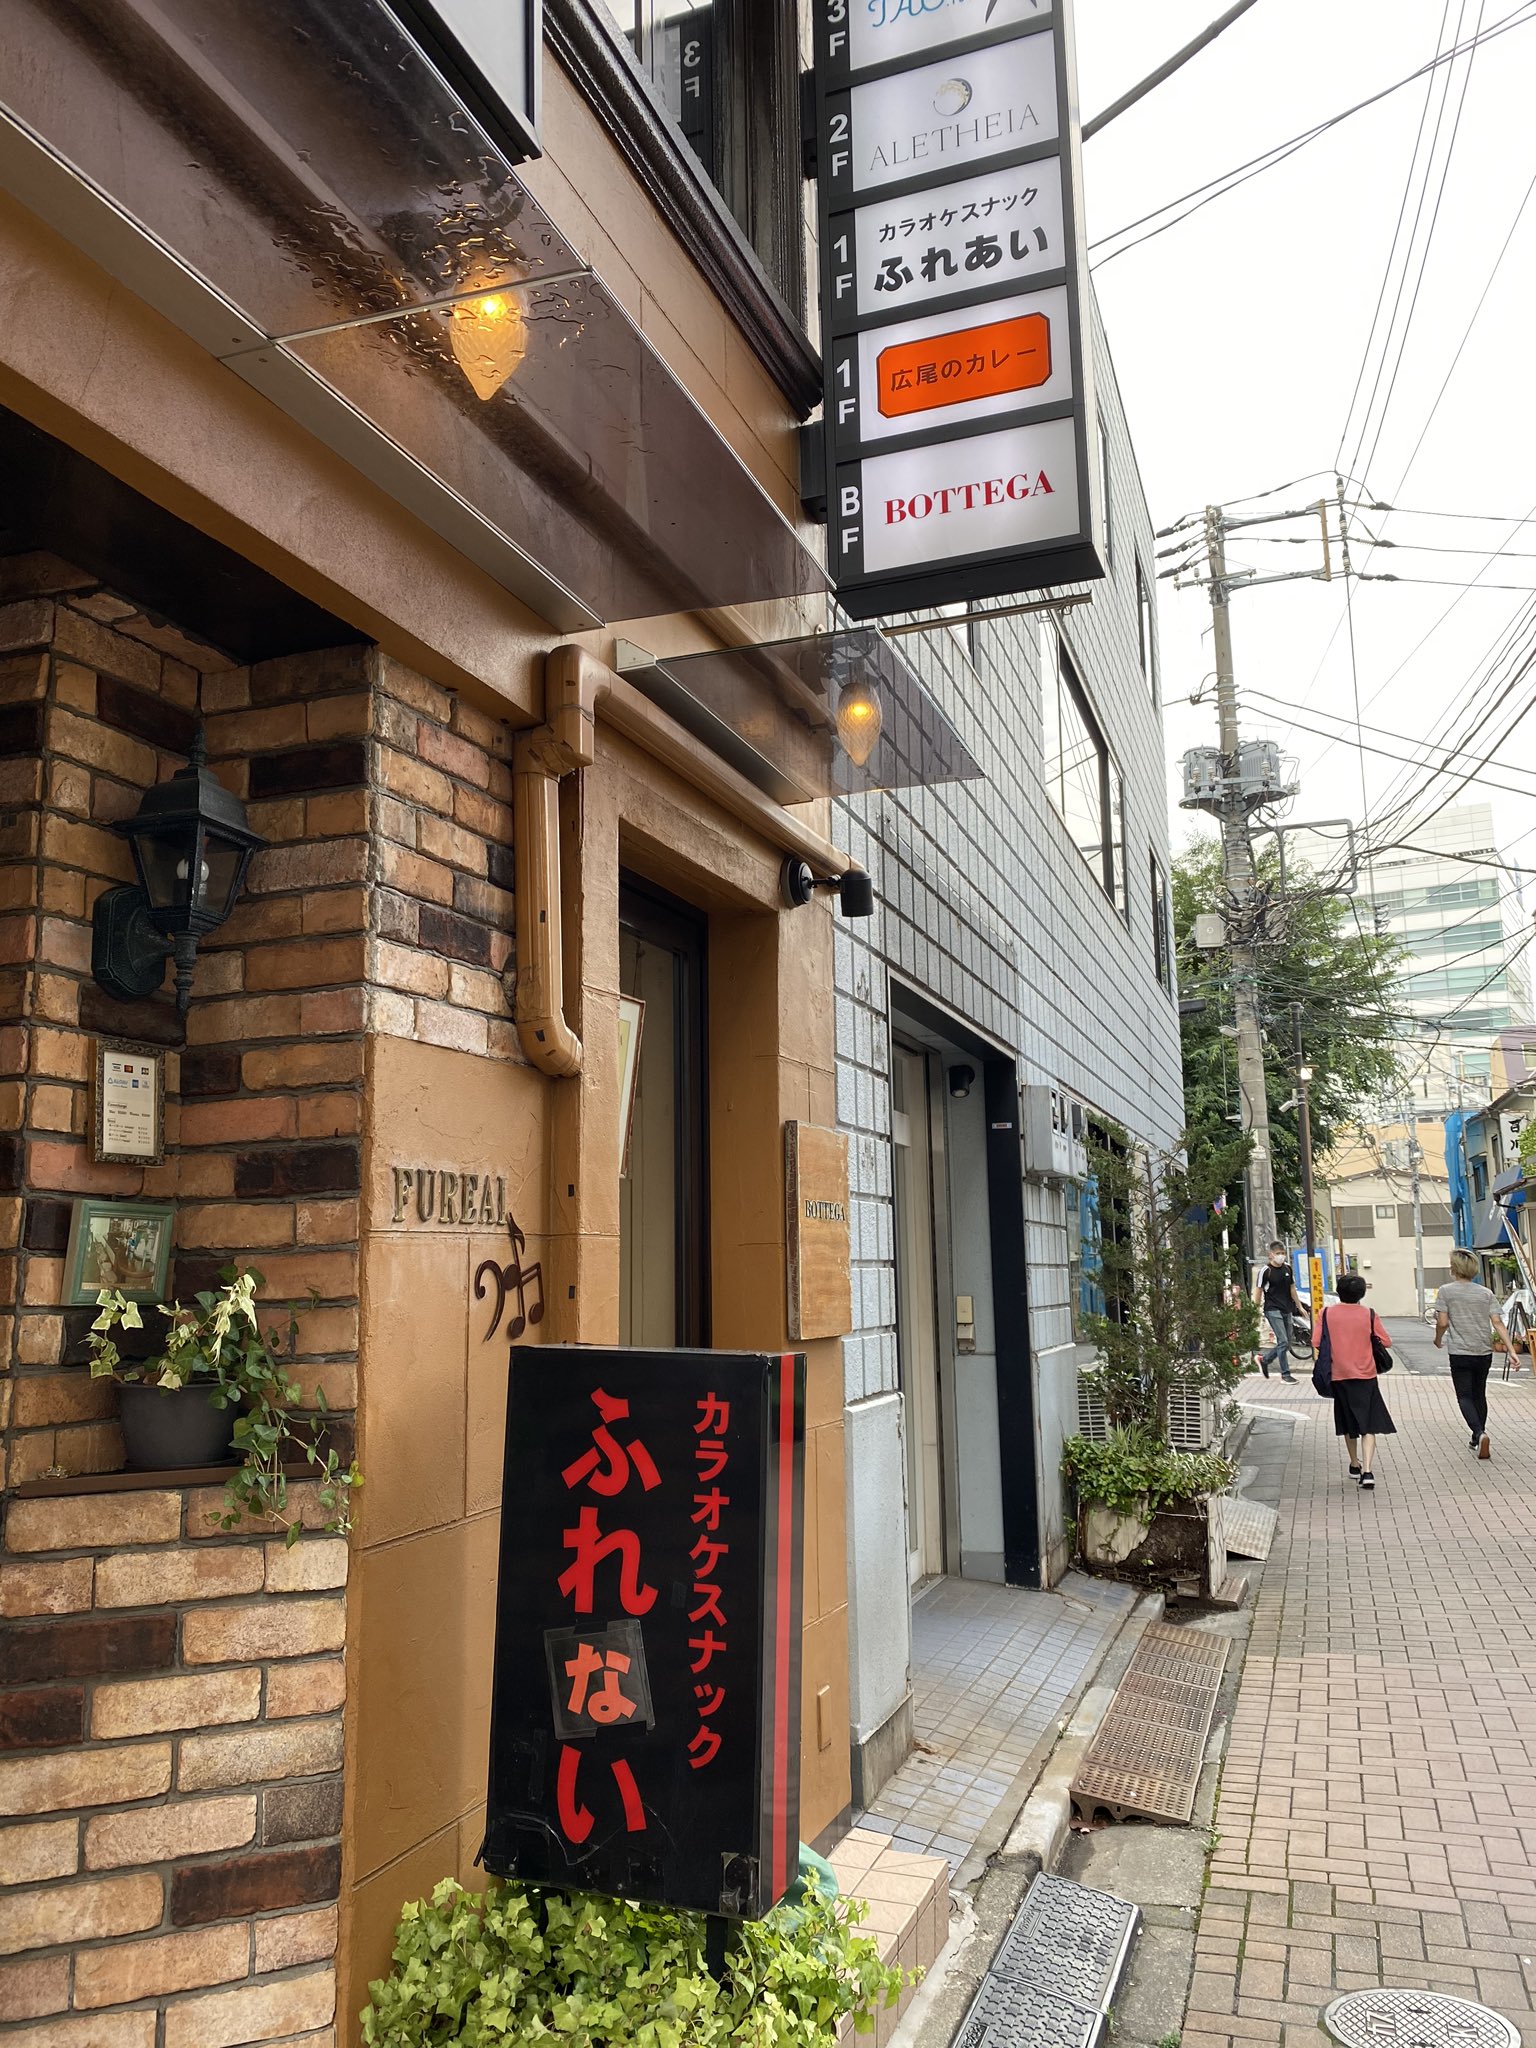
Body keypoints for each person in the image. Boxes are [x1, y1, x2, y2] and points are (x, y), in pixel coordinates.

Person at [1315, 1272, 1394, 1489]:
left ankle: (1353, 1464)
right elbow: (1386, 1342)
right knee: (1368, 1423)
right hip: (1366, 1375)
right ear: (1361, 1293)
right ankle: (1367, 1471)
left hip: (1338, 1374)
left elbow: (1316, 1341)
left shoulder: (1326, 1313)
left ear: (1339, 1292)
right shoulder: (1369, 1314)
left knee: (1348, 1422)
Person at [1433, 1248, 1512, 1459]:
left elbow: (1443, 1322)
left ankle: (1479, 1433)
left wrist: (1438, 1339)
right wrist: (1512, 1350)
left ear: (1454, 1268)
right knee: (1479, 1394)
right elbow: (1497, 1322)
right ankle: (1478, 1437)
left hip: (1460, 1352)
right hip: (1483, 1351)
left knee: (1464, 1396)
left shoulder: (1446, 1291)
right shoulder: (1486, 1293)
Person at [1253, 1241, 1300, 1382]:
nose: (1281, 1256)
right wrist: (1255, 1310)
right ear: (1271, 1255)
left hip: (1287, 1308)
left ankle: (1264, 1360)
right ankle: (1285, 1374)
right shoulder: (1265, 1271)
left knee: (1286, 1343)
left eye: (1283, 1253)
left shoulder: (1288, 1268)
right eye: (1278, 1253)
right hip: (1272, 1309)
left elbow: (1292, 1288)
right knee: (1283, 1341)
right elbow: (1258, 1290)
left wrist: (1300, 1306)